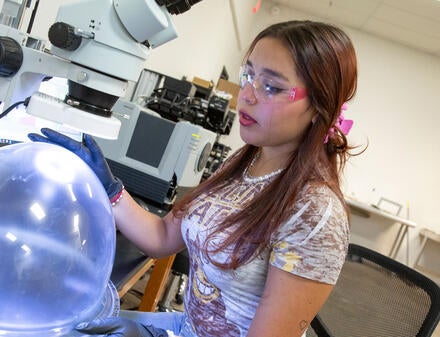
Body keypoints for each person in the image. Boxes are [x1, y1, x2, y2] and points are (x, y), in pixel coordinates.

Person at [29, 19, 358, 337]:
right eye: (248, 76)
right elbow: (162, 238)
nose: (247, 95)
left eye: (271, 86)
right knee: (61, 320)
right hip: (186, 326)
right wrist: (109, 187)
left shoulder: (314, 213)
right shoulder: (242, 164)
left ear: (319, 106)